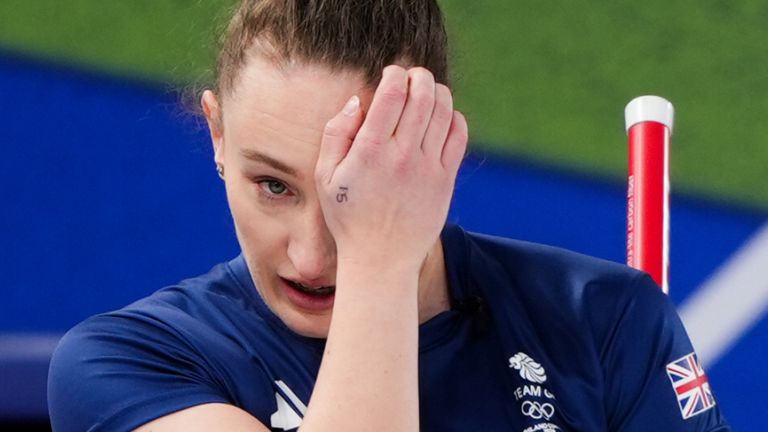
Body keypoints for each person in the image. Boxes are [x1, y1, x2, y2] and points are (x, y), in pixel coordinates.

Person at [47, 1, 731, 431]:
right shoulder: (120, 368)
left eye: (353, 187)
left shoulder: (606, 321)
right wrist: (380, 259)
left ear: (436, 147)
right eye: (273, 186)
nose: (311, 257)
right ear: (217, 136)